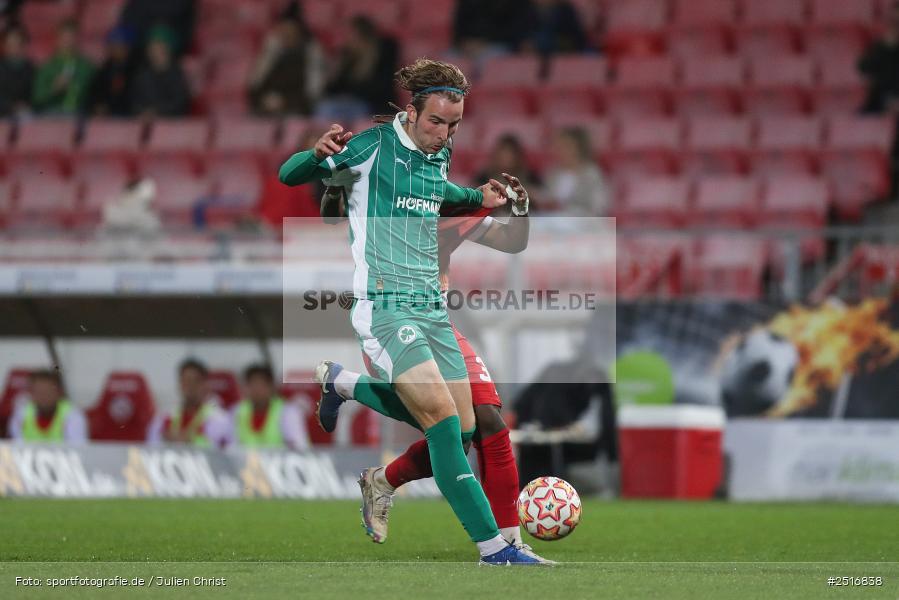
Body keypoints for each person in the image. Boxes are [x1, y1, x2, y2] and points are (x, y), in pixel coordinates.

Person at [279, 58, 541, 565]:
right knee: (444, 421)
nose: (444, 135)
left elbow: (440, 195)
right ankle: (496, 548)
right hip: (386, 308)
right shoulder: (373, 147)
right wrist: (314, 155)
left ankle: (344, 384)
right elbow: (289, 175)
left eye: (454, 125)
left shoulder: (436, 158)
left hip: (433, 314)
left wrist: (480, 197)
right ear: (411, 110)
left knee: (463, 430)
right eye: (436, 122)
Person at [315, 16, 397, 121]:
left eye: (350, 34)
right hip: (346, 104)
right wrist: (336, 69)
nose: (346, 39)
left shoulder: (382, 55)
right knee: (324, 108)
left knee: (344, 111)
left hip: (372, 106)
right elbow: (331, 89)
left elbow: (381, 90)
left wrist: (351, 94)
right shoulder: (347, 57)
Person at [249, 16, 324, 116]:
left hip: (297, 110)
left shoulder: (309, 55)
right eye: (283, 32)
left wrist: (284, 102)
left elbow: (312, 93)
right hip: (266, 108)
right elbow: (254, 87)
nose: (287, 36)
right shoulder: (272, 55)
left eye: (290, 32)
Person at [146, 359, 231, 447]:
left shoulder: (218, 418)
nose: (190, 387)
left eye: (195, 381)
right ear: (180, 384)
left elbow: (219, 451)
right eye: (186, 381)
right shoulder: (164, 418)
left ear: (205, 384)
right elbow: (151, 448)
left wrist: (191, 441)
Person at [231, 364, 309, 450]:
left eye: (261, 385)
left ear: (272, 387)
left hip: (281, 463)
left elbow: (300, 448)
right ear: (245, 388)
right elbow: (230, 448)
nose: (257, 390)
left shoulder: (288, 412)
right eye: (252, 385)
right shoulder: (237, 411)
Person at [32, 19, 94, 115]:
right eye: (64, 37)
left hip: (80, 114)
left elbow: (96, 95)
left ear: (77, 39)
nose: (67, 41)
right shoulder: (47, 67)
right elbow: (37, 98)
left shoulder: (86, 67)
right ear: (57, 39)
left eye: (71, 37)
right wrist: (53, 88)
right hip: (51, 115)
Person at [543, 127, 609, 216]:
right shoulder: (553, 173)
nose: (559, 150)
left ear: (578, 148)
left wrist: (565, 208)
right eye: (558, 146)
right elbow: (547, 200)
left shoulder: (591, 175)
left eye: (565, 146)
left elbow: (598, 208)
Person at [8, 370, 87, 443]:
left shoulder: (72, 415)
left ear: (59, 393)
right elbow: (17, 449)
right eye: (39, 392)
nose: (44, 396)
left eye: (48, 391)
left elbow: (78, 450)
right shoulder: (21, 414)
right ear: (31, 394)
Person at [131, 25, 191, 118]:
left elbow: (180, 104)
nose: (154, 50)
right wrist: (143, 112)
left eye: (158, 45)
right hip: (142, 123)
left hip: (171, 126)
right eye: (151, 46)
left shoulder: (177, 75)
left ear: (168, 48)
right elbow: (134, 102)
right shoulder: (142, 75)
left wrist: (157, 112)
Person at [475, 135, 541, 210]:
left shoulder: (529, 176)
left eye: (510, 154)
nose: (506, 158)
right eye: (502, 154)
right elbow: (474, 197)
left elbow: (542, 198)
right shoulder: (485, 176)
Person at [859, 0, 899, 114]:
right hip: (881, 106)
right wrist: (885, 48)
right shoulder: (882, 47)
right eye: (895, 23)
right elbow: (864, 67)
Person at [88, 25, 137, 117]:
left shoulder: (135, 70)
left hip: (128, 118)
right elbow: (94, 94)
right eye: (112, 45)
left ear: (128, 47)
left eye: (119, 44)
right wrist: (97, 106)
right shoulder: (104, 70)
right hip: (106, 119)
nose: (115, 49)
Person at [522, 0, 588, 56]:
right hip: (531, 55)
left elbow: (577, 38)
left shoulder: (566, 10)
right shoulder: (526, 9)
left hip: (563, 52)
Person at [0, 25, 34, 118]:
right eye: (10, 43)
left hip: (25, 113)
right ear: (4, 45)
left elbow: (34, 95)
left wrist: (25, 105)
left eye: (17, 43)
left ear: (22, 45)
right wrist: (11, 106)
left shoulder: (30, 68)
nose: (13, 47)